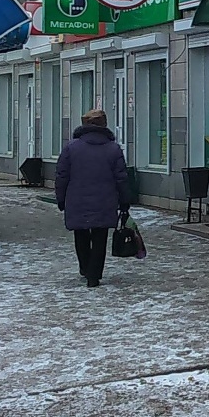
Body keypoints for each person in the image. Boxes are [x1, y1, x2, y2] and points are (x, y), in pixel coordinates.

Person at [55, 108, 131, 288]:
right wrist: (125, 200)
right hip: (105, 200)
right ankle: (94, 275)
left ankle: (85, 267)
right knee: (100, 236)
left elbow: (62, 175)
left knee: (80, 234)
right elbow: (121, 177)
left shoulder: (71, 148)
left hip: (77, 200)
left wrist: (61, 198)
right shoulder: (113, 149)